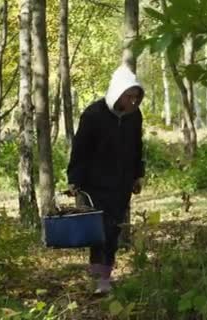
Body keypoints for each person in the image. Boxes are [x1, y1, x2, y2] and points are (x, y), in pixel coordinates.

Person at [67, 65, 145, 294]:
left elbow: (137, 147)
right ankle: (99, 279)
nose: (132, 102)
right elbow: (80, 150)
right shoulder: (93, 115)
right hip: (95, 184)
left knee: (113, 230)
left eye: (136, 97)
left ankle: (105, 276)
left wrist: (137, 175)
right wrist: (74, 180)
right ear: (118, 93)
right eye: (129, 96)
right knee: (98, 230)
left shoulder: (134, 117)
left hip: (121, 184)